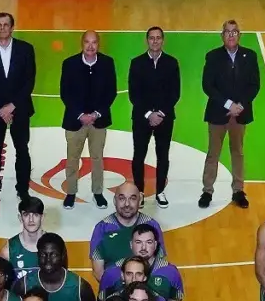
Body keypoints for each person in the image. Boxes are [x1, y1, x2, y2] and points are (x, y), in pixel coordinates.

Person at [0, 11, 36, 206]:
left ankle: (23, 189)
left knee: (22, 149)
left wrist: (12, 106)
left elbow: (29, 81)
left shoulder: (26, 49)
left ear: (12, 27)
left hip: (19, 108)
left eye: (6, 24)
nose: (2, 28)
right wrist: (0, 109)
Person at [199, 20, 259, 211]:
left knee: (238, 152)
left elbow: (254, 85)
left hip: (240, 114)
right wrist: (228, 104)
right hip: (218, 113)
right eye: (227, 32)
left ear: (239, 35)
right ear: (222, 35)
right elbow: (208, 85)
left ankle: (238, 190)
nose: (231, 35)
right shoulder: (213, 56)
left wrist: (239, 105)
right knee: (213, 154)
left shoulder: (249, 56)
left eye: (235, 32)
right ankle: (207, 191)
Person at [60, 30, 118, 208]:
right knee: (72, 158)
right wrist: (80, 115)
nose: (91, 46)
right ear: (82, 44)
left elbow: (111, 92)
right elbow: (65, 93)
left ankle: (98, 192)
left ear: (98, 44)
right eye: (87, 42)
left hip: (98, 121)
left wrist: (95, 114)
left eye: (94, 42)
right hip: (74, 121)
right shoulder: (69, 64)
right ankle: (71, 192)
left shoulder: (108, 63)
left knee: (97, 158)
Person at [127, 26, 181, 205]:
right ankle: (139, 192)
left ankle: (160, 191)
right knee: (139, 155)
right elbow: (134, 94)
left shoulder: (172, 63)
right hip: (142, 119)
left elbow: (175, 93)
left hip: (165, 119)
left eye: (158, 38)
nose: (155, 41)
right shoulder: (136, 63)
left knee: (162, 155)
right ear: (147, 40)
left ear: (163, 40)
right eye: (152, 38)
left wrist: (161, 114)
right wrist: (149, 114)